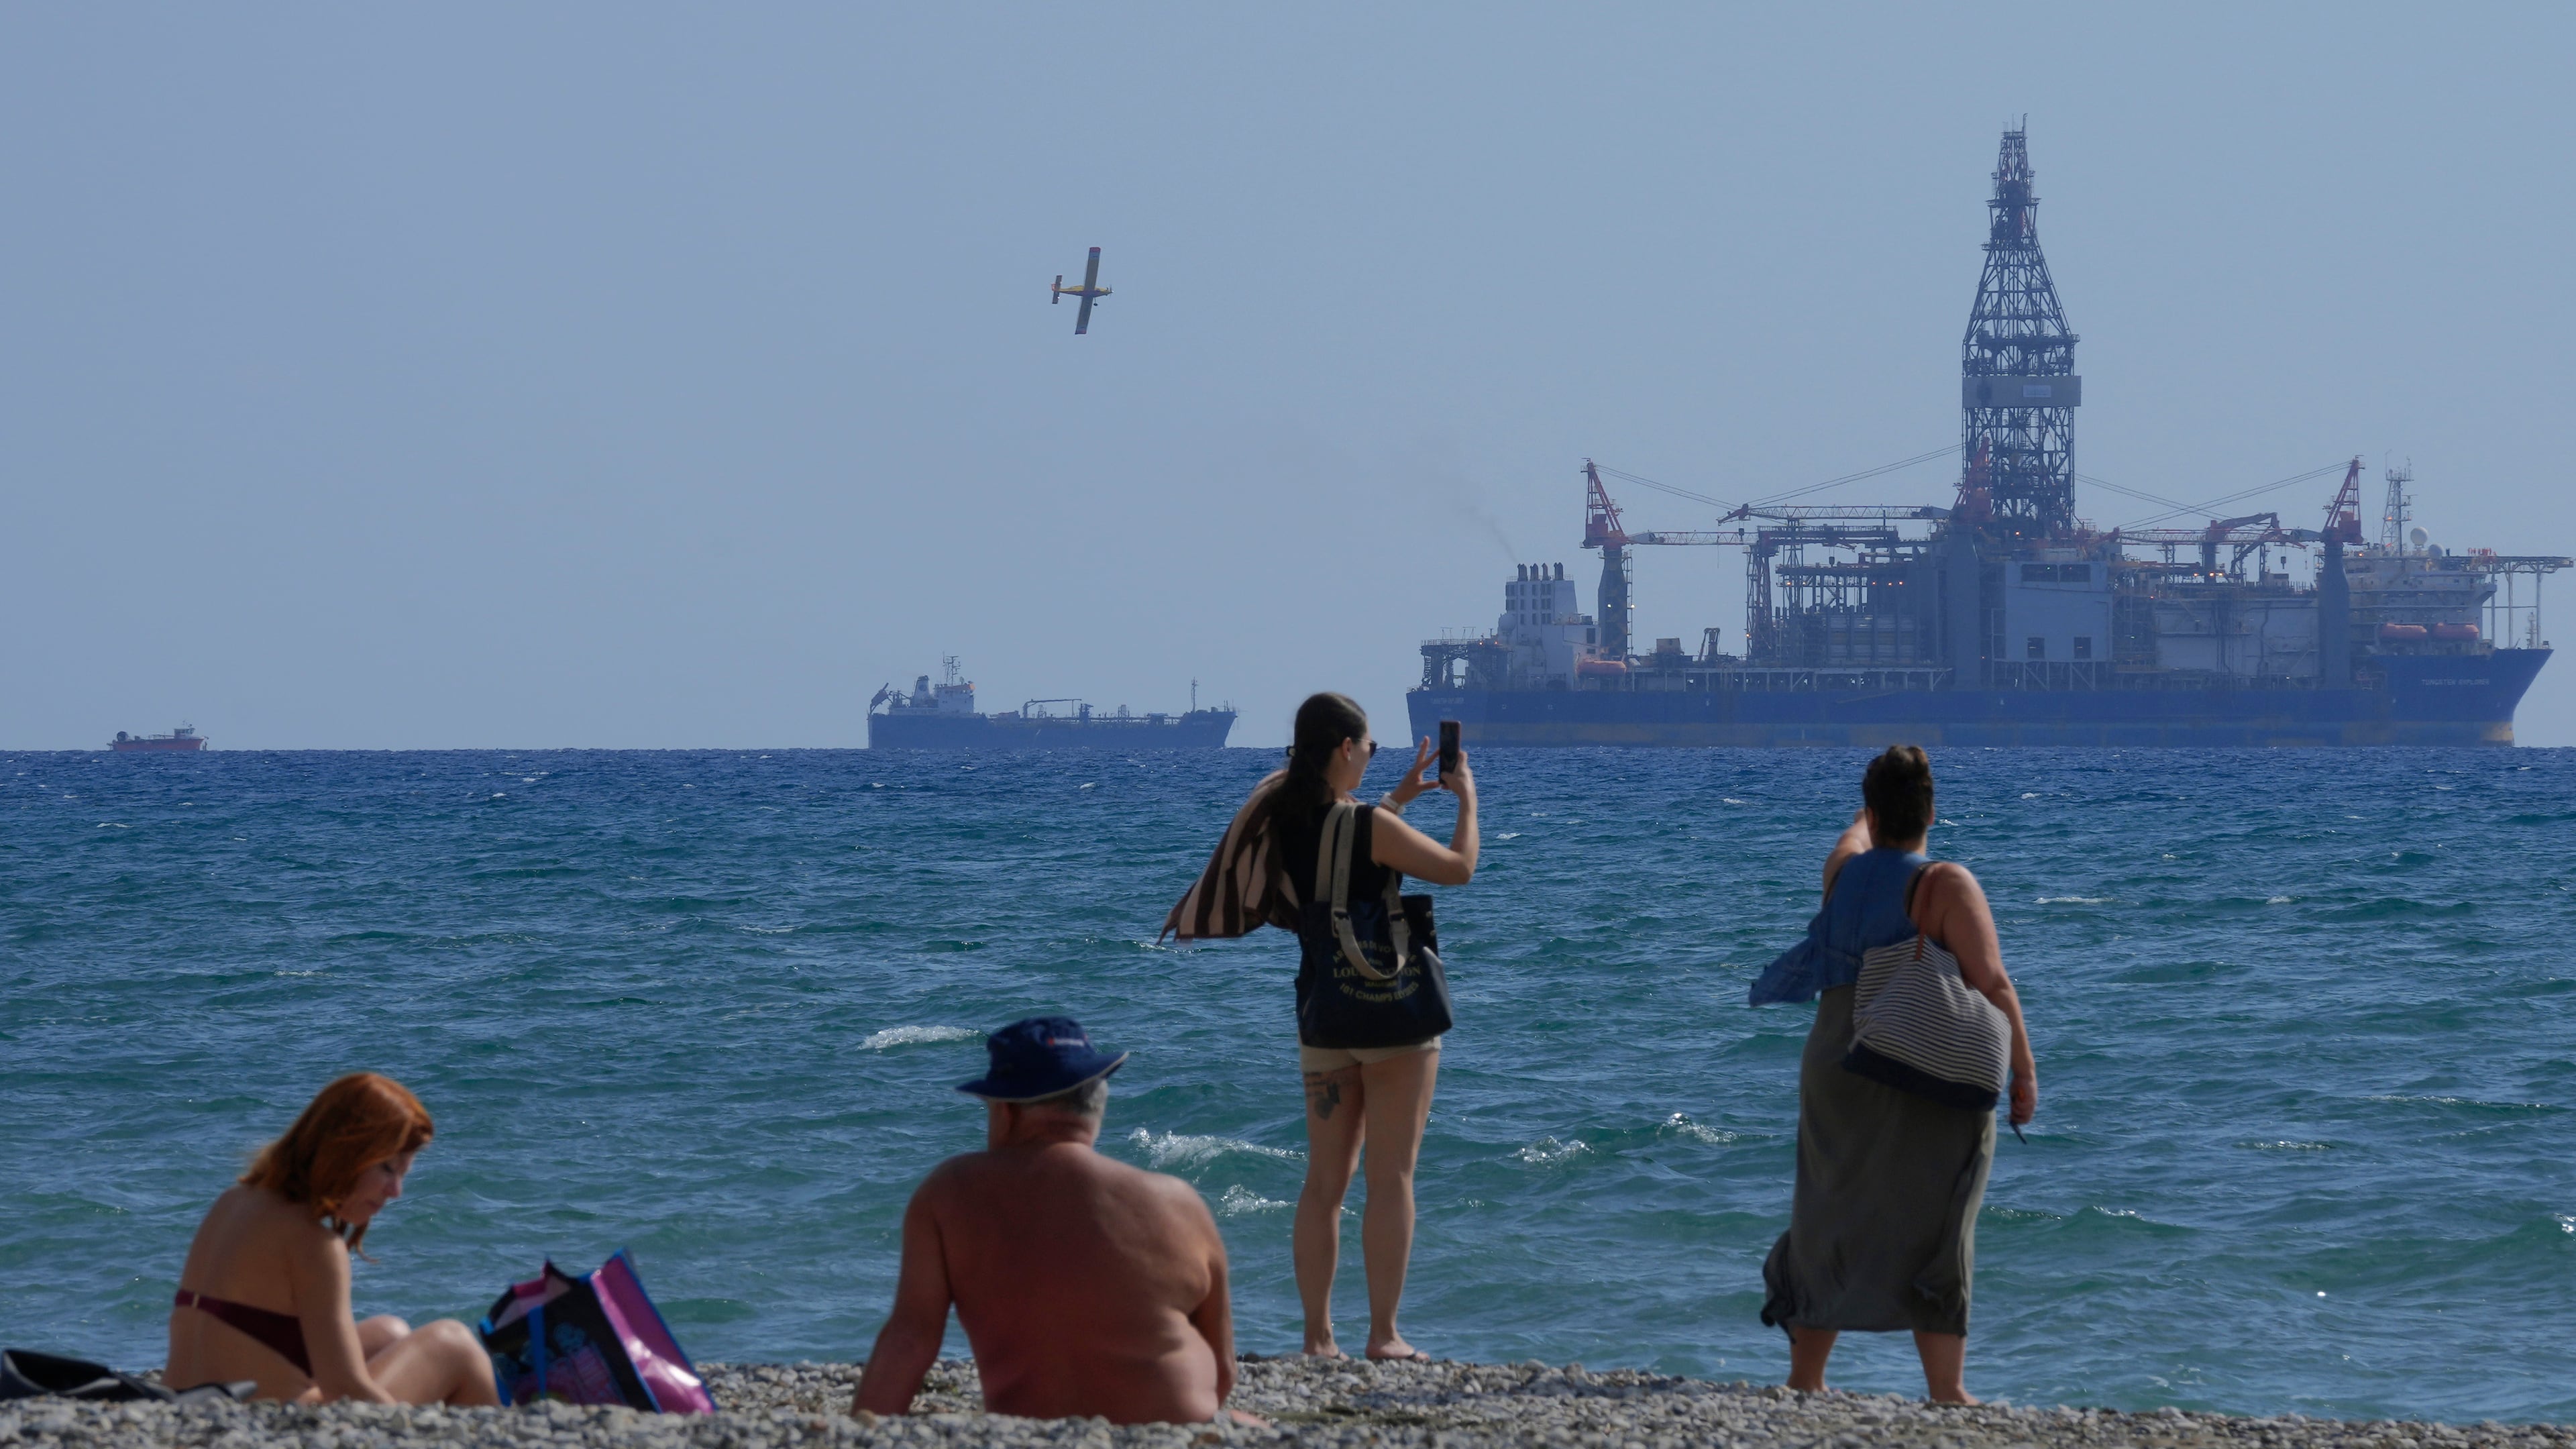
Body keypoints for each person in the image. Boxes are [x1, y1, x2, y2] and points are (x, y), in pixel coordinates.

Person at [1162, 692, 1479, 1361]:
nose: (1370, 757)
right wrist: (1466, 801)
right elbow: (1459, 869)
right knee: (1391, 1178)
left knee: (1323, 1184)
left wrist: (1394, 800)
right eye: (1367, 748)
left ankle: (1317, 1339)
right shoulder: (1365, 823)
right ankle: (1385, 1335)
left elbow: (1341, 866)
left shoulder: (1289, 818)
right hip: (1392, 1013)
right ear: (1343, 748)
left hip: (1323, 1014)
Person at [1750, 745, 2036, 1404]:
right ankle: (1946, 1389)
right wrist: (2023, 1070)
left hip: (1835, 1057)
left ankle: (1805, 1378)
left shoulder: (1843, 874)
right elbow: (1991, 981)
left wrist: (1868, 812)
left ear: (1874, 814)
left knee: (1829, 1211)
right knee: (1943, 1208)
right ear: (1932, 812)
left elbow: (1852, 838)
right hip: (1916, 1058)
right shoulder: (1945, 884)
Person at [853, 1017, 1251, 1425]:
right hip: (1176, 1426)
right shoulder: (1179, 1203)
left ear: (1005, 1111)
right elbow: (1223, 1369)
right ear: (1096, 1107)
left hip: (1031, 1427)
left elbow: (910, 1341)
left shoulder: (947, 1194)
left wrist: (868, 1431)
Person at [166, 1073, 499, 1405]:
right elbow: (345, 1392)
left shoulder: (234, 1201)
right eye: (387, 1169)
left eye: (402, 1175)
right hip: (265, 1426)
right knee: (453, 1343)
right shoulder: (314, 1244)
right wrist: (413, 1424)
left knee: (389, 1332)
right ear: (346, 1151)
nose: (396, 1192)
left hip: (185, 1409)